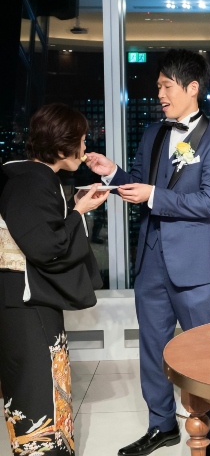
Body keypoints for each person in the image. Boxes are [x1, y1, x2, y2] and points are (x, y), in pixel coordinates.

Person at [86, 49, 210, 456]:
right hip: (151, 259)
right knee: (152, 348)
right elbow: (140, 182)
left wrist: (153, 195)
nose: (160, 95)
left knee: (204, 351)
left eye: (167, 87)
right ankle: (162, 425)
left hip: (195, 264)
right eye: (158, 87)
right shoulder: (153, 133)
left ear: (192, 87)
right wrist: (112, 173)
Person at [0, 103, 109, 456]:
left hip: (27, 301)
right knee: (38, 388)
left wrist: (73, 206)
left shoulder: (32, 179)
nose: (85, 147)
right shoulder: (31, 183)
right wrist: (78, 212)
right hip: (27, 304)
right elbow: (47, 247)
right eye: (81, 140)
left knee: (45, 384)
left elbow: (42, 231)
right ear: (63, 147)